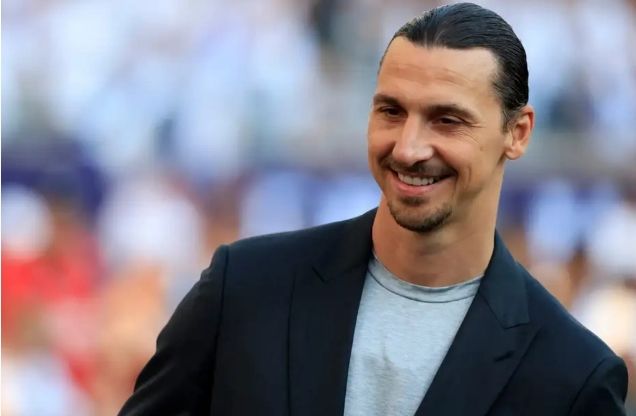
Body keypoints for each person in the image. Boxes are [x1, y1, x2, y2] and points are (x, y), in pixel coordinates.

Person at [119, 3, 628, 415]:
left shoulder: (572, 374)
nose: (408, 147)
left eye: (447, 120)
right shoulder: (244, 289)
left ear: (517, 133)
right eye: (391, 111)